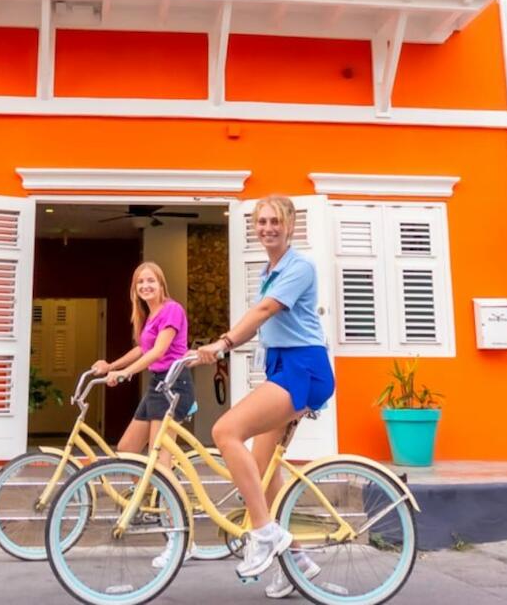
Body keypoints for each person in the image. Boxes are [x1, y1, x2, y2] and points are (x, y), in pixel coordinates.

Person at [194, 195, 335, 598]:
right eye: (261, 222)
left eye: (275, 221)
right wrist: (204, 351)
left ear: (290, 226)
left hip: (303, 368)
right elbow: (260, 325)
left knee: (225, 431)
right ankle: (297, 561)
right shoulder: (268, 269)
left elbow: (263, 313)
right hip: (281, 366)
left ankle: (265, 533)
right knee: (262, 468)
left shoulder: (299, 266)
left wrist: (222, 343)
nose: (268, 228)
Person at [92, 260, 196, 569]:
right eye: (140, 283)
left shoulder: (171, 310)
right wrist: (110, 365)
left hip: (174, 384)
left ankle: (183, 541)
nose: (146, 286)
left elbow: (159, 352)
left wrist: (124, 375)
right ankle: (147, 500)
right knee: (126, 449)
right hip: (156, 385)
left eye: (150, 281)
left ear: (161, 284)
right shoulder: (147, 315)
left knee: (161, 465)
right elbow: (141, 349)